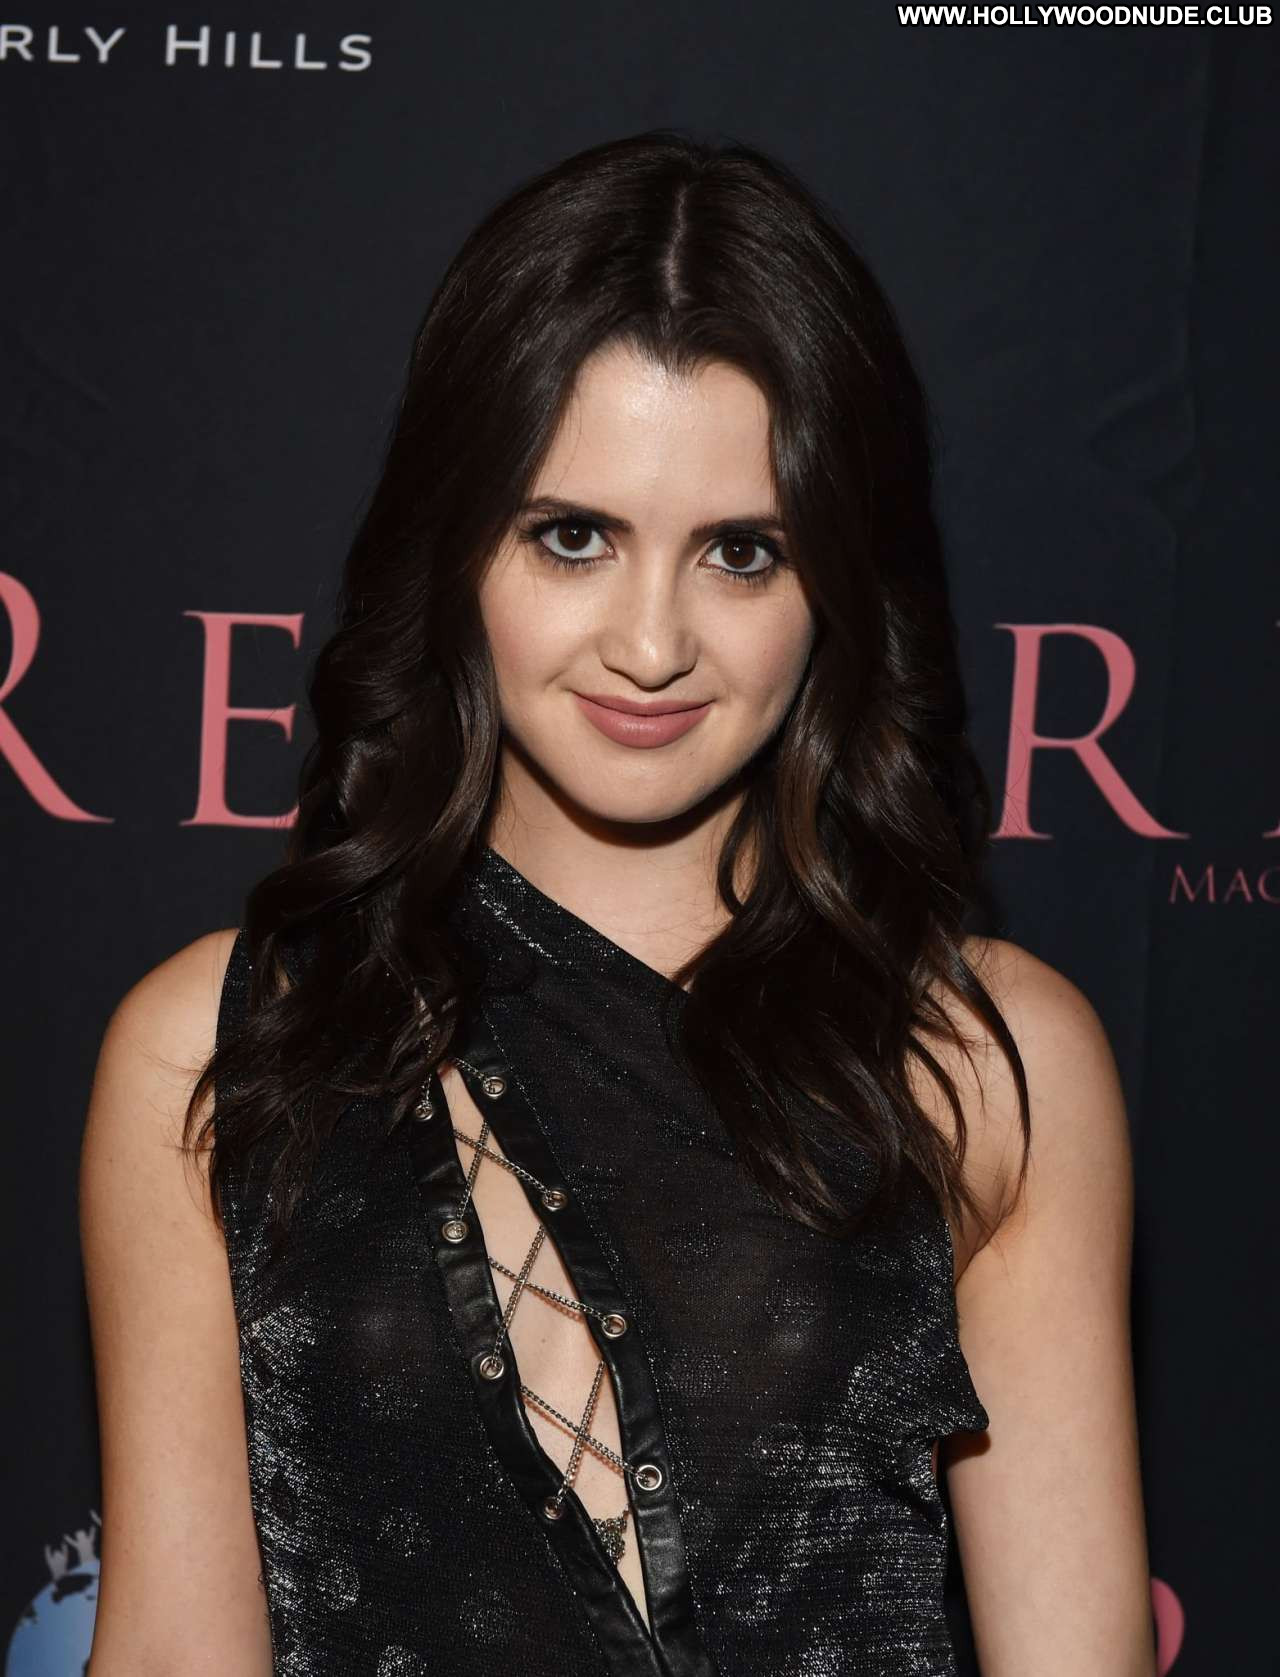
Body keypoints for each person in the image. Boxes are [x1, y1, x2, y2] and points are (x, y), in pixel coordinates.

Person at [79, 129, 1156, 1676]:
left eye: (742, 552)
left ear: (838, 584)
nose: (651, 644)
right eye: (572, 536)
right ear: (459, 542)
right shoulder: (221, 1048)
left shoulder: (980, 1059)